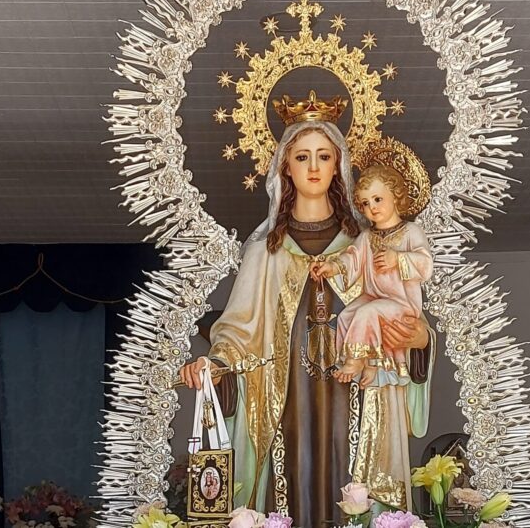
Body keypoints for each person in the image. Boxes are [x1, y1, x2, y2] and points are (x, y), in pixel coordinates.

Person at [179, 108, 435, 527]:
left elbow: (403, 306)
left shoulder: (368, 243)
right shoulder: (265, 252)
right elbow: (239, 333)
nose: (313, 167)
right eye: (302, 157)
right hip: (286, 397)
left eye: (324, 156)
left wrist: (420, 340)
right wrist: (216, 365)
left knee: (357, 489)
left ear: (339, 166)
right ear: (285, 167)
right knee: (290, 485)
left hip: (359, 396)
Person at [313, 165, 433, 386]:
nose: (372, 207)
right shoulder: (367, 237)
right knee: (346, 316)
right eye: (366, 203)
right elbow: (352, 259)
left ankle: (356, 361)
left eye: (378, 199)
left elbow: (425, 265)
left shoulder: (411, 232)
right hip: (373, 297)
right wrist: (333, 267)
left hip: (402, 303)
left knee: (367, 312)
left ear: (395, 196)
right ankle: (371, 361)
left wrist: (398, 258)